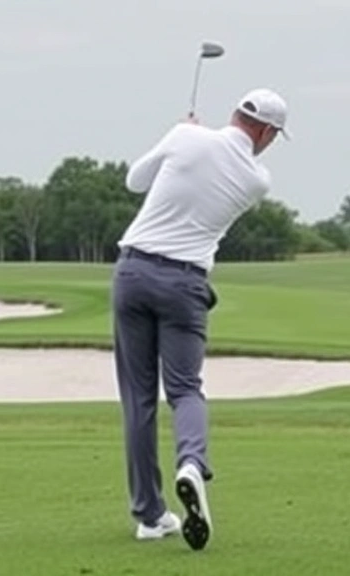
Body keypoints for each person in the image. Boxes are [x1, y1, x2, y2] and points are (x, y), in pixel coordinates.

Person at [111, 87, 291, 551]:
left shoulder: (185, 137)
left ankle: (150, 516)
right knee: (186, 389)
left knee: (138, 398)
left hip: (132, 272)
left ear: (235, 113)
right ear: (267, 133)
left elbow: (135, 181)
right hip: (186, 284)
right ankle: (191, 462)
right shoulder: (257, 179)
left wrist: (182, 132)